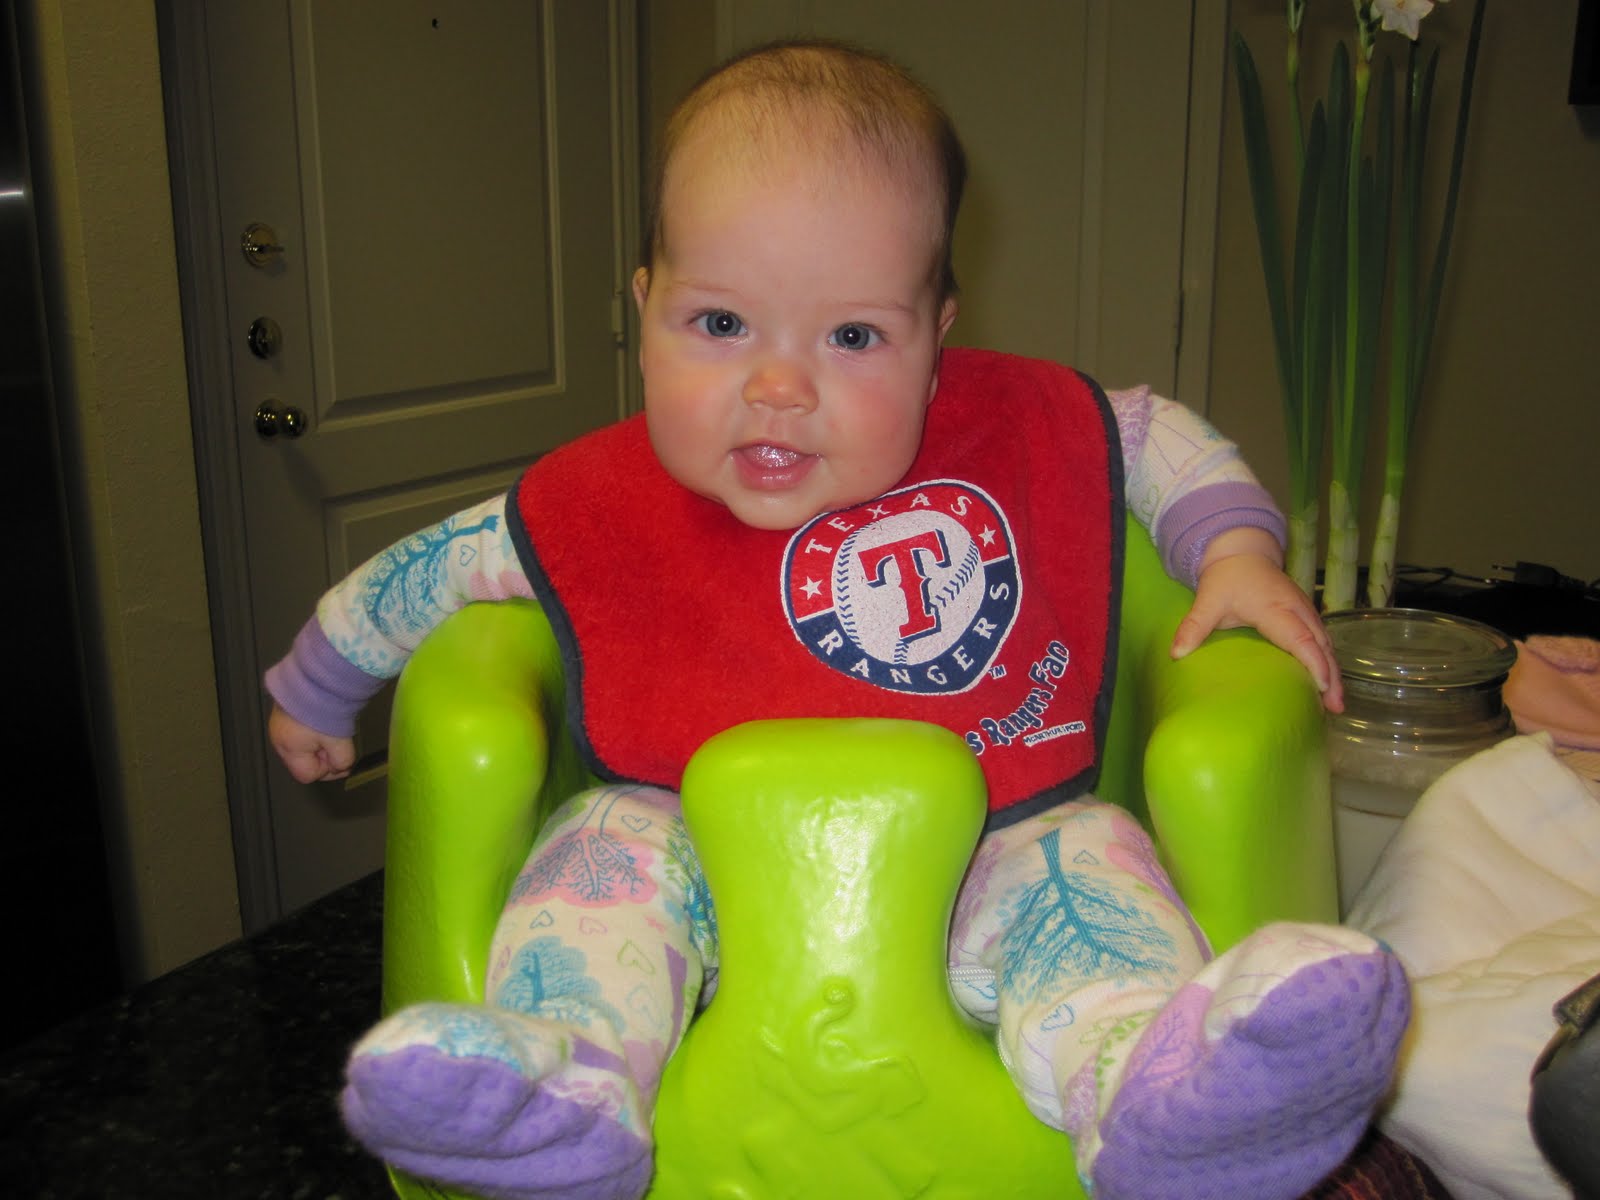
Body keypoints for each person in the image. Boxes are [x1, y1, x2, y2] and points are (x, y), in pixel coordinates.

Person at [266, 39, 1404, 1200]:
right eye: (720, 324)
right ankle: (565, 1093)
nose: (779, 387)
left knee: (1089, 877)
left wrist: (1235, 551)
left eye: (853, 338)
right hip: (686, 849)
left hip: (994, 840)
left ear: (935, 337)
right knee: (595, 866)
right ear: (645, 308)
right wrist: (320, 686)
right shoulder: (598, 502)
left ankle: (1153, 1098)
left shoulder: (1010, 426)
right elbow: (429, 572)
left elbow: (1152, 438)